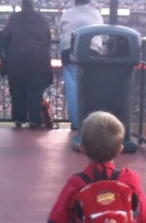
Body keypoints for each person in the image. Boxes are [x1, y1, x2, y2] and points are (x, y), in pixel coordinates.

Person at [2, 0, 52, 128]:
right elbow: (48, 38)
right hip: (39, 61)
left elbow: (4, 35)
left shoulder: (14, 18)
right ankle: (34, 120)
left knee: (17, 91)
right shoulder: (42, 19)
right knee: (35, 93)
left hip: (18, 61)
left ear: (22, 5)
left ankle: (18, 119)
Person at [59, 0, 103, 131]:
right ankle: (91, 122)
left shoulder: (67, 13)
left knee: (73, 89)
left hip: (69, 50)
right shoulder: (96, 13)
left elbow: (61, 28)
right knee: (91, 88)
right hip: (91, 51)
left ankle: (76, 124)